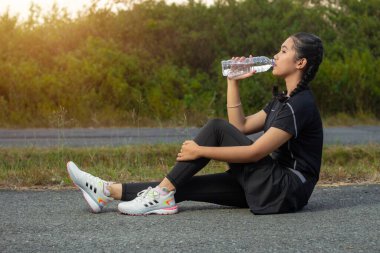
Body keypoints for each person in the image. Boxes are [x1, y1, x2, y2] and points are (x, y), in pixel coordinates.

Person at [67, 32, 324, 216]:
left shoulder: (299, 105)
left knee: (215, 127)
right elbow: (242, 126)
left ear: (300, 63)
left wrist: (200, 151)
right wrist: (232, 81)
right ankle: (106, 191)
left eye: (284, 50)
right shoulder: (283, 100)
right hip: (271, 183)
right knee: (183, 184)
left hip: (284, 188)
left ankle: (161, 193)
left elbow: (255, 152)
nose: (276, 55)